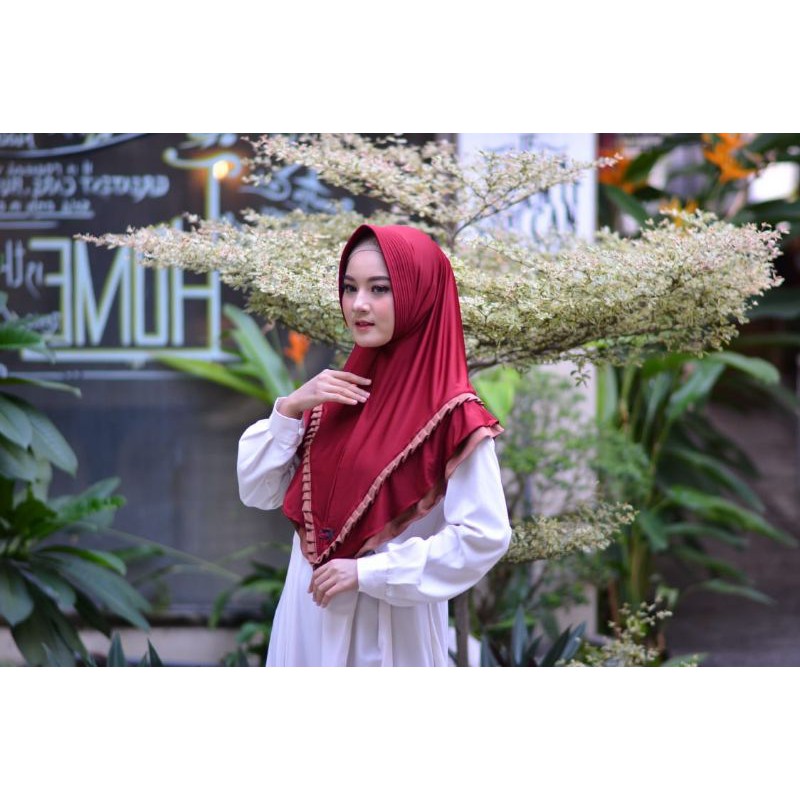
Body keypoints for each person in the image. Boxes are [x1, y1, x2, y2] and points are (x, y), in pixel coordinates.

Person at [237, 224, 512, 666]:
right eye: (350, 287)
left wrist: (369, 572)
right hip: (306, 623)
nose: (358, 304)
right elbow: (257, 491)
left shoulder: (454, 417)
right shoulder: (334, 396)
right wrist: (289, 408)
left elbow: (484, 536)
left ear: (419, 296)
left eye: (379, 288)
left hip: (385, 634)